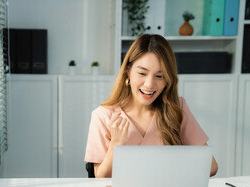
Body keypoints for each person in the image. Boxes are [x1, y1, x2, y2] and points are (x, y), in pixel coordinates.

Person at [84, 34, 218, 178]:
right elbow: (100, 178)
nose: (149, 84)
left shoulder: (177, 108)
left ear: (168, 80)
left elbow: (211, 166)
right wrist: (115, 144)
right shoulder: (103, 115)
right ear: (128, 73)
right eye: (142, 73)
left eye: (159, 76)